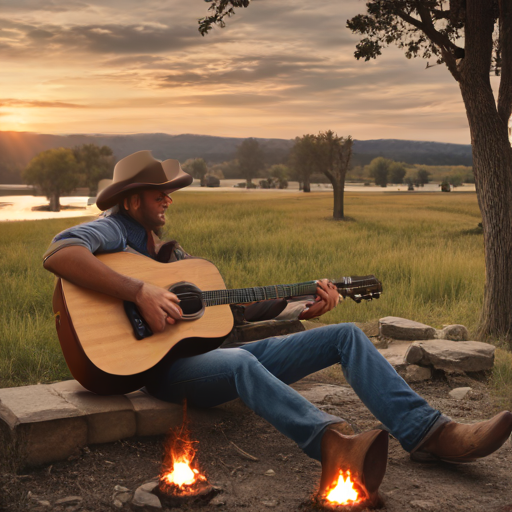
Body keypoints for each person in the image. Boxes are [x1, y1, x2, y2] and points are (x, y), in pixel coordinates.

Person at [43, 150, 512, 501]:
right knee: (238, 362)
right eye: (159, 192)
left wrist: (298, 308)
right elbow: (60, 253)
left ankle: (430, 434)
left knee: (345, 335)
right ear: (131, 199)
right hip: (160, 371)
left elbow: (229, 313)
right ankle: (334, 447)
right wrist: (138, 292)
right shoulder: (112, 230)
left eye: (170, 191)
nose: (169, 198)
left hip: (212, 359)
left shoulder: (167, 252)